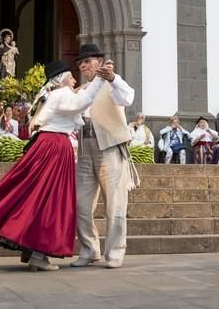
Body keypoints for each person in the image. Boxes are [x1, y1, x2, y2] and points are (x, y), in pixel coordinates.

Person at [0, 61, 105, 271]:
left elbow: (80, 103)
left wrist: (95, 83)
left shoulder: (58, 94)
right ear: (62, 79)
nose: (74, 80)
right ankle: (37, 252)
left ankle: (35, 251)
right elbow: (80, 103)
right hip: (54, 146)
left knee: (40, 196)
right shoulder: (63, 94)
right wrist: (100, 79)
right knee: (50, 198)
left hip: (50, 145)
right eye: (70, 77)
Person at [71, 43, 137, 270]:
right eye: (80, 63)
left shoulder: (113, 84)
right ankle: (89, 250)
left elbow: (128, 97)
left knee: (115, 204)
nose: (83, 67)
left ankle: (116, 252)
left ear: (99, 61)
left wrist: (112, 78)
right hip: (85, 148)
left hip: (109, 146)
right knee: (81, 204)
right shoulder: (81, 91)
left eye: (87, 62)